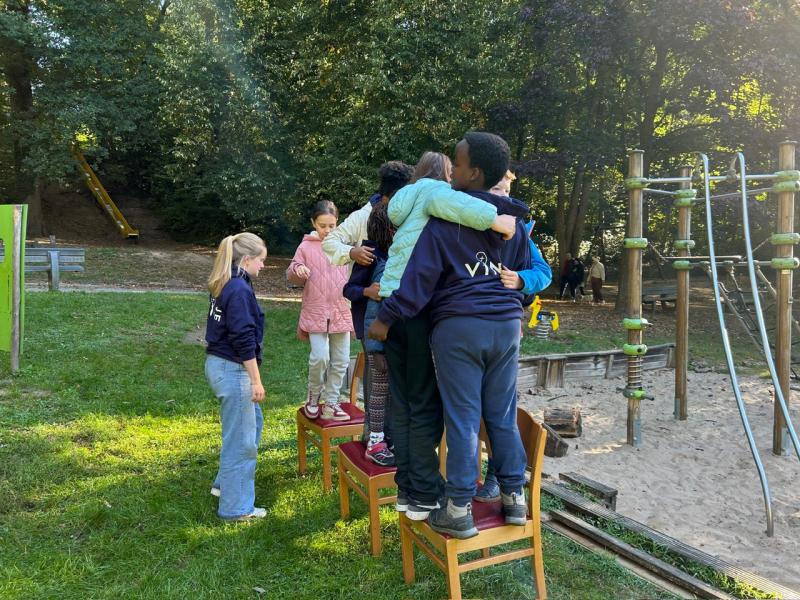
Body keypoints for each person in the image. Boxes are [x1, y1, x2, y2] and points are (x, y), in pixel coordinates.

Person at [369, 131, 532, 539]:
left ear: (473, 173)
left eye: (456, 165)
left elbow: (419, 279)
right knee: (501, 415)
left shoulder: (445, 221)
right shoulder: (516, 222)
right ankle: (515, 498)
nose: (451, 173)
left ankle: (458, 507)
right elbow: (524, 277)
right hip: (507, 328)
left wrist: (386, 317)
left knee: (462, 418)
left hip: (460, 327)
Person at [205, 232, 268, 521]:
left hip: (219, 364)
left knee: (252, 422)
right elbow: (243, 338)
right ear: (246, 259)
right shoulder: (239, 289)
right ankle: (236, 508)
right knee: (241, 442)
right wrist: (255, 380)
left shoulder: (227, 280)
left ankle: (224, 484)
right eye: (261, 260)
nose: (263, 266)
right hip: (233, 369)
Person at [288, 201, 354, 421]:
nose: (327, 230)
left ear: (338, 223)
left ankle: (332, 402)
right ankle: (314, 396)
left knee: (342, 360)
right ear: (313, 223)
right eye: (322, 225)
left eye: (331, 225)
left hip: (341, 310)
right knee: (320, 357)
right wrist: (299, 269)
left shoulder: (345, 245)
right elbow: (292, 271)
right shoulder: (305, 246)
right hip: (316, 310)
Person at [356, 203, 396, 465]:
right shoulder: (384, 263)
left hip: (386, 343)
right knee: (380, 393)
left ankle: (381, 437)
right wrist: (376, 348)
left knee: (386, 393)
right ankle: (375, 442)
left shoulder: (392, 259)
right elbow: (374, 313)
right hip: (380, 345)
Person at [322, 161, 414, 268]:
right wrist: (352, 253)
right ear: (385, 198)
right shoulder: (361, 217)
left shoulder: (412, 216)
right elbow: (329, 242)